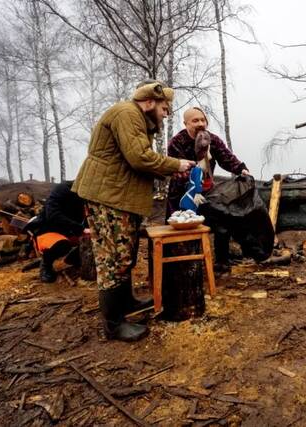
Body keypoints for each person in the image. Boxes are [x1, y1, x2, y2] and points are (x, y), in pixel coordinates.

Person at [73, 80, 195, 342]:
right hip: (109, 196)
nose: (166, 113)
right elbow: (138, 156)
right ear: (149, 102)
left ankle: (125, 302)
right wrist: (176, 164)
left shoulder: (136, 119)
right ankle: (113, 324)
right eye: (164, 107)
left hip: (118, 196)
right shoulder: (128, 114)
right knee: (113, 258)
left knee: (124, 253)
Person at [166, 107, 249, 270]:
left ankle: (222, 261)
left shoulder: (212, 140)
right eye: (195, 121)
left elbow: (226, 158)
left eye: (203, 120)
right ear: (186, 123)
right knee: (180, 229)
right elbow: (176, 170)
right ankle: (180, 266)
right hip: (182, 194)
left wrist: (241, 169)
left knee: (222, 220)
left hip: (208, 191)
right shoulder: (177, 142)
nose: (200, 124)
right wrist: (195, 176)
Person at [24, 181, 85, 283]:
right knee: (61, 245)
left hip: (69, 231)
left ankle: (73, 258)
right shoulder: (62, 189)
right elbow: (53, 215)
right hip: (47, 230)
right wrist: (80, 228)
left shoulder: (89, 194)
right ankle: (46, 266)